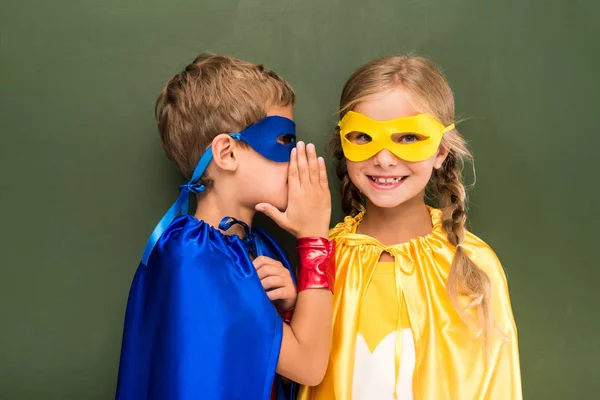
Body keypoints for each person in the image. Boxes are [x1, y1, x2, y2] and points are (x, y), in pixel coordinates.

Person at [299, 55, 522, 399]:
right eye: (363, 136)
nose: (385, 158)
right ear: (344, 142)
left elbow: (497, 386)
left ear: (440, 151)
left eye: (408, 138)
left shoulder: (474, 266)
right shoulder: (325, 258)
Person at [116, 53, 335, 400]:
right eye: (284, 141)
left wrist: (291, 307)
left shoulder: (250, 247)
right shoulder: (197, 254)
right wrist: (314, 238)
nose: (297, 158)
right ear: (227, 153)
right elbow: (309, 365)